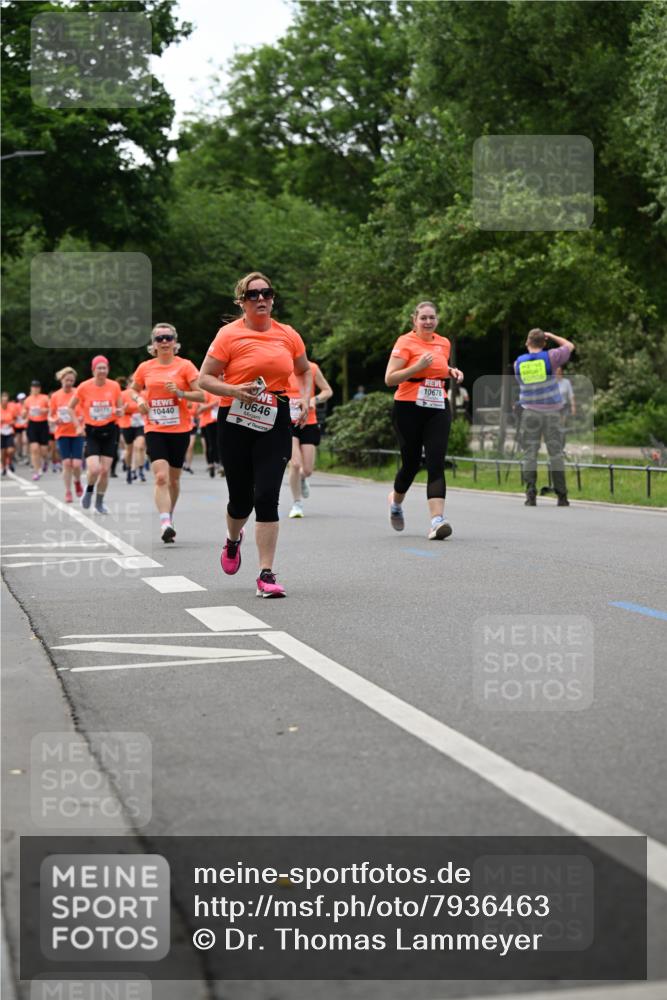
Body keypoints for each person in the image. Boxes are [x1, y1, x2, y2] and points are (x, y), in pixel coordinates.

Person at [198, 271, 312, 598]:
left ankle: (266, 574)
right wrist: (234, 389)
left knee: (266, 495)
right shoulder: (228, 335)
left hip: (274, 418)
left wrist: (303, 398)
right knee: (241, 499)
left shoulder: (288, 335)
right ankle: (233, 541)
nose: (261, 299)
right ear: (242, 302)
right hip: (234, 419)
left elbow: (303, 370)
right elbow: (205, 379)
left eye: (266, 293)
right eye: (253, 295)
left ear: (273, 298)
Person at [385, 301, 463, 539]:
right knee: (411, 463)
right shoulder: (405, 342)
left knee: (436, 461)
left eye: (432, 318)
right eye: (423, 318)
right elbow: (390, 378)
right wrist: (416, 366)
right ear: (414, 320)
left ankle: (437, 521)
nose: (428, 322)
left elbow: (439, 367)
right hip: (408, 406)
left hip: (437, 405)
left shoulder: (443, 342)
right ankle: (395, 502)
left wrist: (451, 371)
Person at [130, 323, 204, 543]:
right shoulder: (146, 367)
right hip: (155, 427)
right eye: (159, 338)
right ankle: (164, 522)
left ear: (175, 341)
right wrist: (140, 399)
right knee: (161, 477)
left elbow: (201, 395)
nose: (164, 342)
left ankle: (169, 516)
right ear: (153, 343)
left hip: (180, 428)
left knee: (173, 479)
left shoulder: (186, 366)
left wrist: (180, 392)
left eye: (168, 338)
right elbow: (133, 390)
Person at [514, 328, 575, 507]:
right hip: (552, 412)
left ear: (527, 342)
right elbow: (570, 346)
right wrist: (553, 335)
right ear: (544, 343)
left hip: (530, 412)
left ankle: (530, 494)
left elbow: (521, 382)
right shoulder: (552, 356)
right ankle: (562, 496)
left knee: (529, 454)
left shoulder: (519, 363)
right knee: (556, 454)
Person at [68, 356, 123, 514]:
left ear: (108, 370)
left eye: (104, 368)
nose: (102, 371)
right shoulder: (84, 387)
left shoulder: (114, 386)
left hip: (110, 431)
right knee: (94, 469)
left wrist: (120, 411)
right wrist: (77, 426)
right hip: (92, 431)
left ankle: (99, 502)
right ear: (93, 370)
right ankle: (89, 490)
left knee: (105, 471)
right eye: (98, 368)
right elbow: (70, 408)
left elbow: (120, 409)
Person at [286, 360, 333, 518]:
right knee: (295, 464)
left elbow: (327, 391)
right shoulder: (281, 367)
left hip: (309, 422)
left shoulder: (312, 368)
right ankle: (297, 504)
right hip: (287, 423)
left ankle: (302, 479)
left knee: (307, 470)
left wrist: (314, 400)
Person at [49, 367, 85, 502]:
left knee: (76, 464)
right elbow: (50, 416)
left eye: (71, 380)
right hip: (62, 433)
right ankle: (68, 491)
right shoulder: (55, 396)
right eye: (66, 380)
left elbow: (85, 410)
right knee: (66, 464)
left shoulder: (78, 393)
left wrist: (82, 420)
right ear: (61, 379)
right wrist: (54, 420)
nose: (69, 383)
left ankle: (77, 481)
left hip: (77, 432)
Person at [118, 377, 147, 485]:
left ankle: (140, 471)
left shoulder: (143, 394)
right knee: (129, 450)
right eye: (133, 382)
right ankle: (129, 470)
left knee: (140, 446)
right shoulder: (123, 394)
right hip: (127, 424)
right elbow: (119, 410)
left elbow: (147, 408)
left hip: (140, 424)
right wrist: (124, 409)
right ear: (129, 384)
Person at [25, 380, 50, 480]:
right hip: (32, 424)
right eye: (33, 387)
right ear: (31, 388)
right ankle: (37, 470)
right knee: (34, 448)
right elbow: (24, 410)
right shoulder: (28, 400)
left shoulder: (45, 398)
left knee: (43, 450)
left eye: (37, 387)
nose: (35, 389)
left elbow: (51, 409)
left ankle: (45, 460)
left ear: (39, 388)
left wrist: (44, 410)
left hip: (43, 424)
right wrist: (23, 413)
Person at [197, 390, 222, 478]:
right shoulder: (206, 392)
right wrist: (214, 404)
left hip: (219, 421)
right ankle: (211, 463)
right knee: (209, 444)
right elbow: (200, 409)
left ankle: (218, 462)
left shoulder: (221, 391)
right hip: (207, 422)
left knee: (218, 443)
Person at [555, 365, 576, 437]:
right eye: (556, 372)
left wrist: (573, 406)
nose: (558, 373)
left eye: (559, 372)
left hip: (564, 406)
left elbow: (571, 395)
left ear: (561, 372)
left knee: (562, 423)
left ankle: (561, 441)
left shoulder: (566, 382)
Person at [1, 392, 16, 475]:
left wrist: (11, 422)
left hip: (9, 431)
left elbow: (15, 419)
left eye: (6, 400)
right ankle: (3, 467)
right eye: (3, 400)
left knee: (10, 450)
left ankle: (10, 462)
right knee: (3, 452)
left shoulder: (11, 409)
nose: (5, 402)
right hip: (1, 433)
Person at [13, 393, 28, 464]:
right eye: (20, 399)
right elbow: (13, 415)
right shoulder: (15, 406)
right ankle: (18, 454)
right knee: (17, 441)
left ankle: (25, 455)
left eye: (23, 399)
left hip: (25, 425)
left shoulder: (27, 405)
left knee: (25, 440)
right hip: (17, 425)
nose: (22, 400)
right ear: (18, 400)